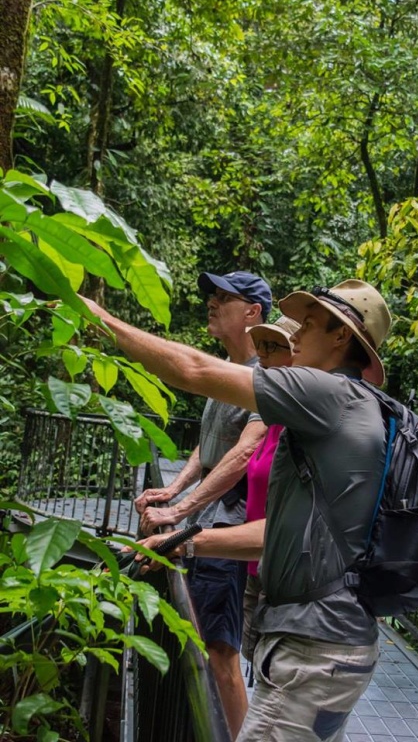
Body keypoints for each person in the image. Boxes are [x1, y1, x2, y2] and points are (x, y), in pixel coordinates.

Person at [81, 278, 392, 742]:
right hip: (322, 647)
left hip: (316, 650)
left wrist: (99, 318)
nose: (295, 334)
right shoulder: (350, 406)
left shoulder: (329, 394)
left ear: (341, 336)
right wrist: (184, 543)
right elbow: (277, 533)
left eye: (307, 324)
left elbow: (191, 369)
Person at [134, 270, 272, 738]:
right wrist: (175, 492)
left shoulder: (264, 378)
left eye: (224, 297)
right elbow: (209, 446)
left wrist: (176, 513)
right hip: (203, 519)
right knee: (199, 636)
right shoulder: (229, 370)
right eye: (213, 296)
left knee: (219, 650)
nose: (212, 303)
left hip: (225, 524)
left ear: (253, 312)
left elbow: (244, 452)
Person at [241, 314, 299, 664]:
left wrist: (189, 543)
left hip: (283, 578)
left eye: (273, 346)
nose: (261, 354)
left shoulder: (302, 423)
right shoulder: (272, 417)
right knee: (254, 661)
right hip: (254, 568)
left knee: (272, 675)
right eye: (259, 345)